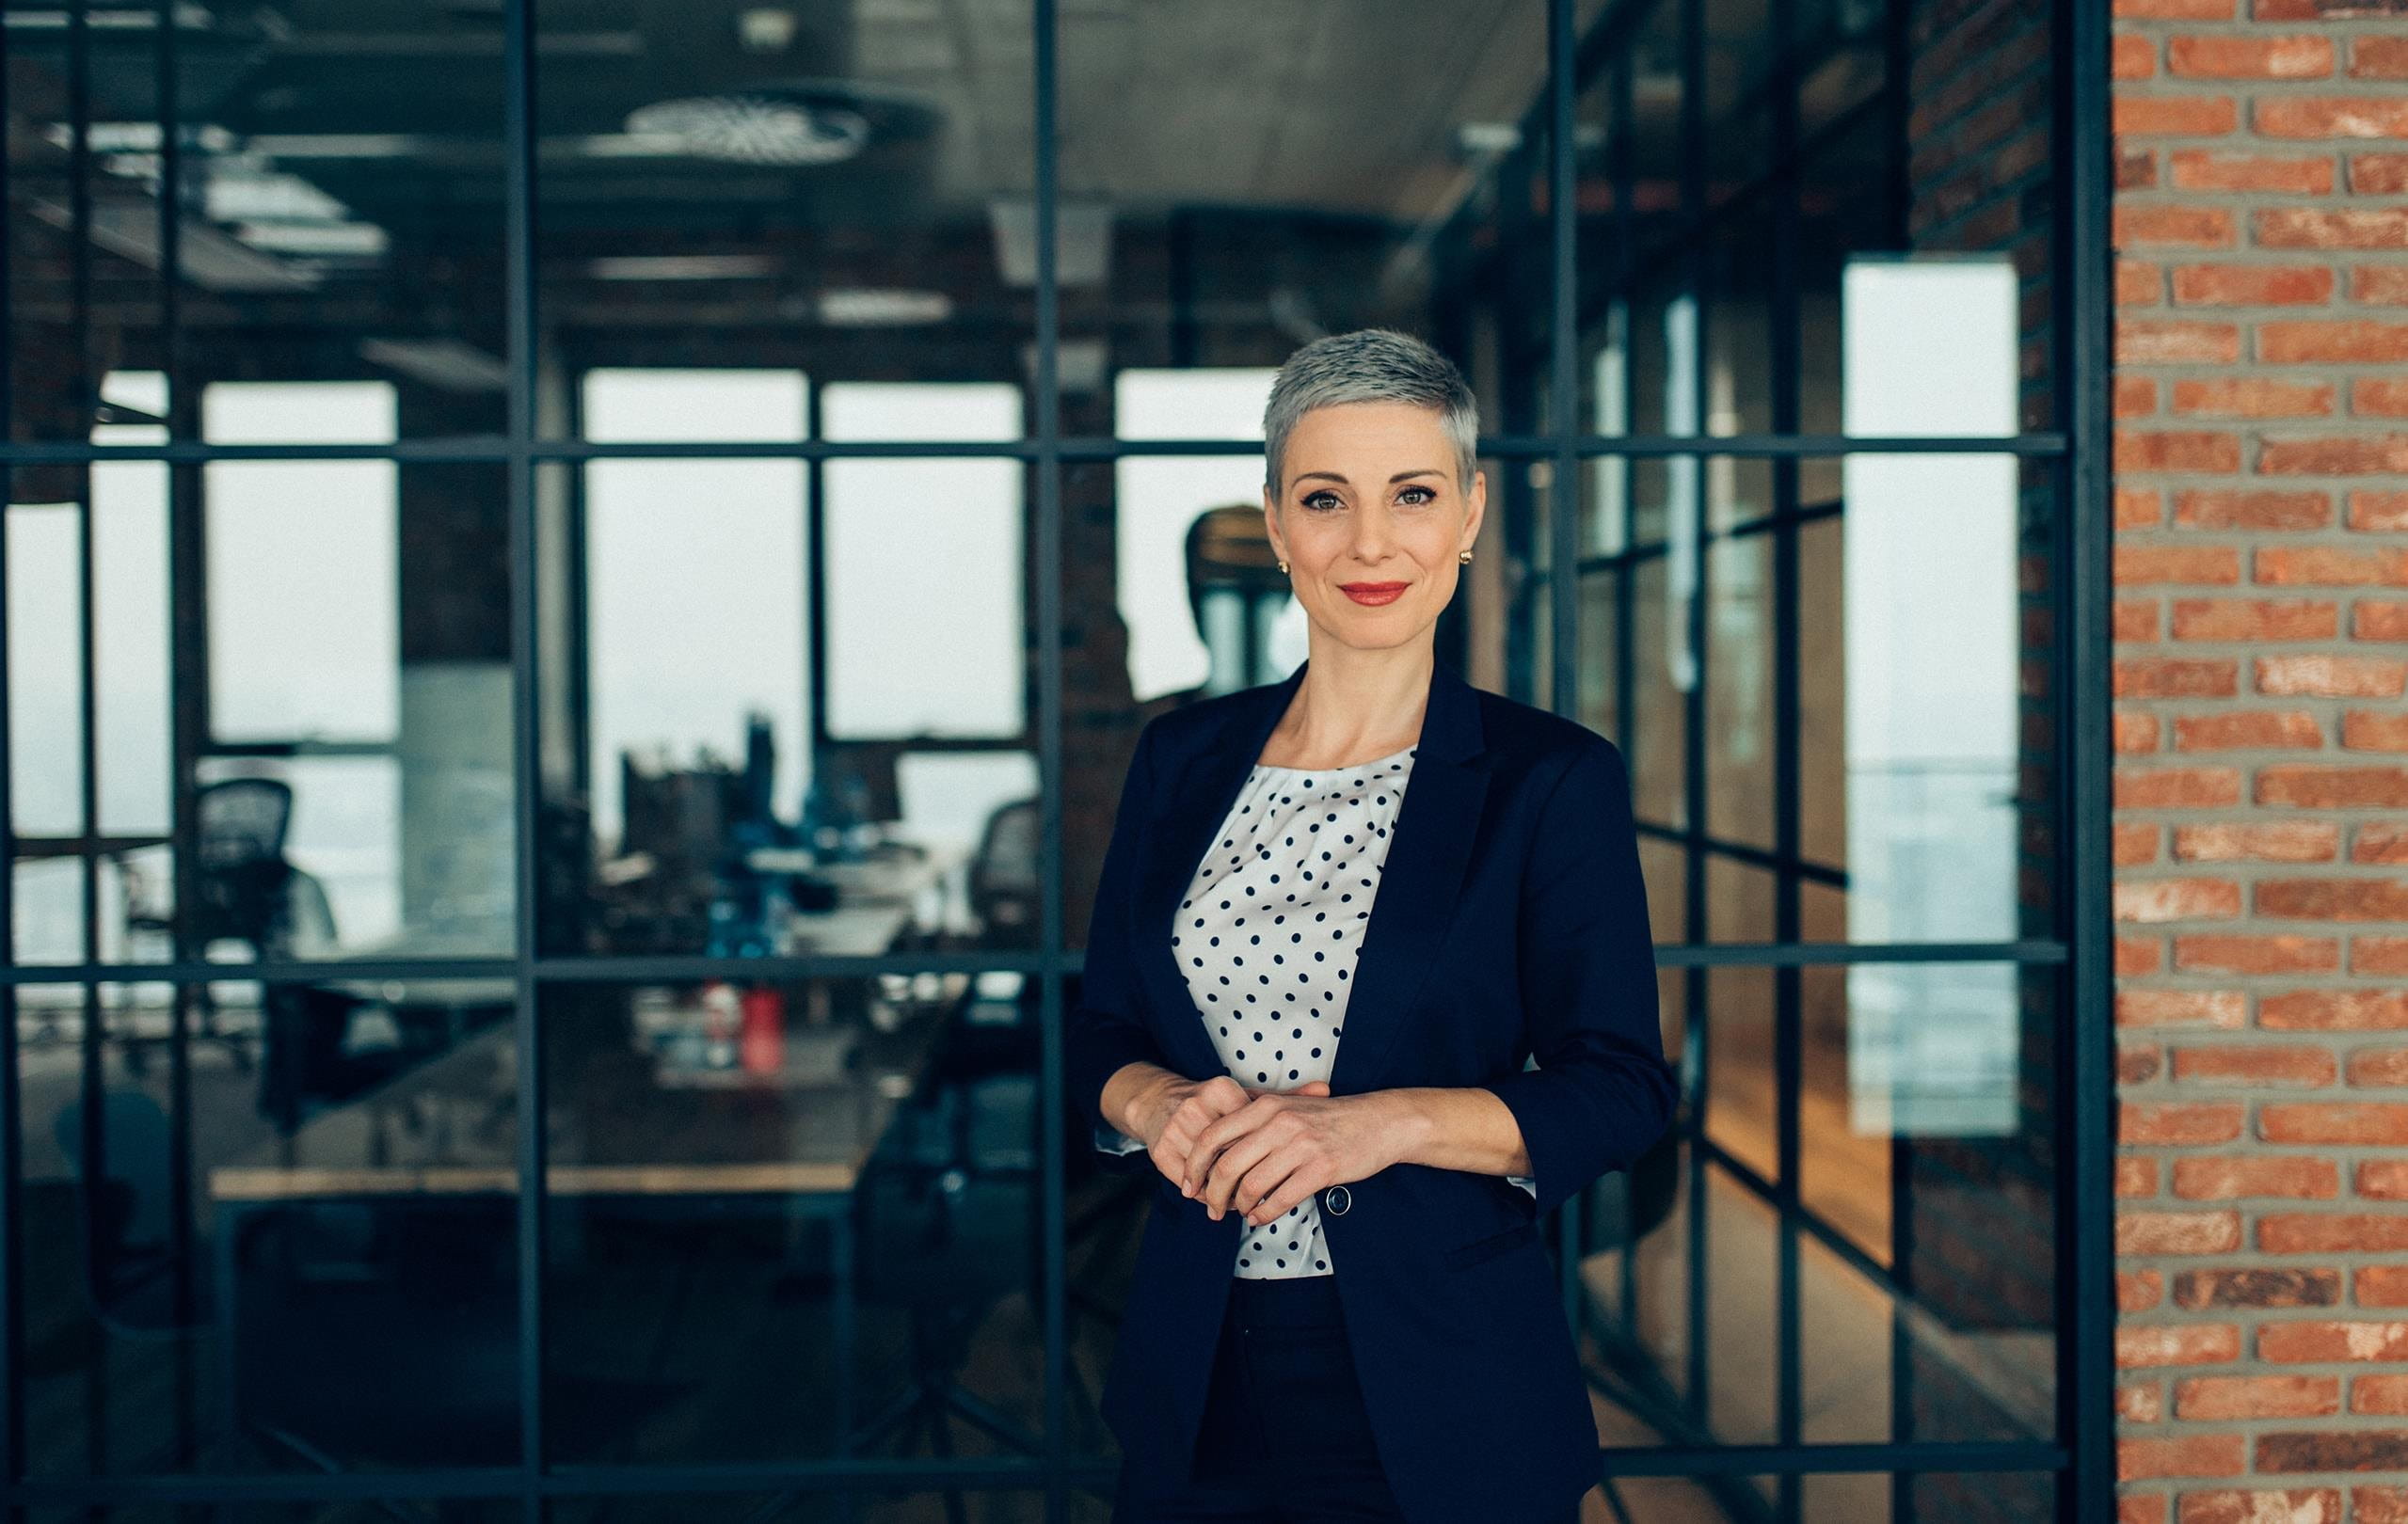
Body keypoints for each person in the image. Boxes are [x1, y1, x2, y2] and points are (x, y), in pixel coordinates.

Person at [1066, 327, 1679, 1524]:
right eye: (1324, 499)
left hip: (1446, 1382)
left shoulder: (1549, 779)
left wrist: (1377, 1128)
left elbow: (1621, 1089)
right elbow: (1102, 1027)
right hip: (1197, 1375)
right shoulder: (1181, 761)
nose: (1370, 542)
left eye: (1412, 494)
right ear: (1279, 525)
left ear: (1469, 515)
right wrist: (1154, 1103)